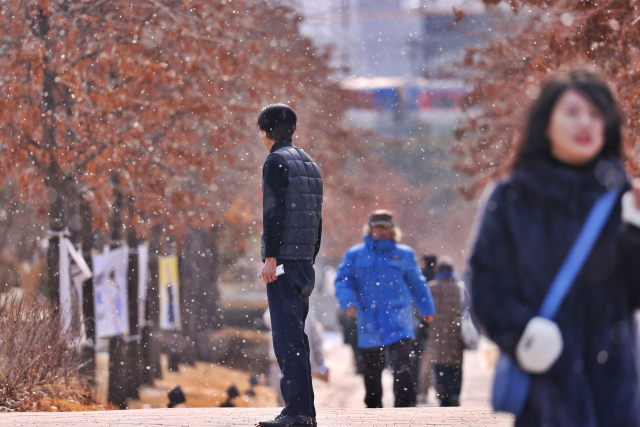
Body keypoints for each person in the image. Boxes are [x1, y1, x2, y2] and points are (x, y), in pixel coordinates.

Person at [469, 71, 640, 426]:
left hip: (616, 392)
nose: (586, 123)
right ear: (545, 122)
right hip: (544, 388)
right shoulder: (512, 197)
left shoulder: (623, 197)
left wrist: (635, 229)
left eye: (596, 114)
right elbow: (486, 286)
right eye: (573, 111)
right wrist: (521, 332)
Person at [257, 104, 323, 427]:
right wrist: (309, 257)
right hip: (304, 263)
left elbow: (273, 213)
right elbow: (316, 219)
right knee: (297, 337)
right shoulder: (310, 165)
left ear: (266, 133)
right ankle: (304, 411)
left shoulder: (275, 162)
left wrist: (271, 257)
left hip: (283, 262)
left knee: (286, 339)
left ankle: (296, 412)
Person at [334, 210, 435, 408]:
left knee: (403, 368)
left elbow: (418, 284)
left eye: (386, 227)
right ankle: (373, 410)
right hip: (369, 320)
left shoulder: (404, 254)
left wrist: (427, 308)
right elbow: (343, 281)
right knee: (371, 371)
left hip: (399, 321)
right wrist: (348, 302)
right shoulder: (355, 254)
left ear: (392, 229)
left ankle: (404, 410)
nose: (382, 231)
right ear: (370, 229)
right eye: (378, 227)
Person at [425, 258, 466, 407]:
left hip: (436, 335)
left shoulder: (431, 288)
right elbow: (468, 311)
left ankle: (443, 395)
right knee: (455, 367)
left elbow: (422, 310)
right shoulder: (459, 288)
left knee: (439, 366)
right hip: (456, 335)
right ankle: (454, 394)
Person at [411, 254, 438, 404]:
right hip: (432, 326)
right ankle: (424, 389)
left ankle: (416, 388)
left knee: (416, 359)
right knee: (428, 359)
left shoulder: (418, 278)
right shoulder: (436, 278)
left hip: (418, 325)